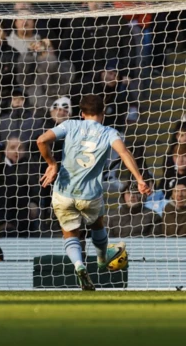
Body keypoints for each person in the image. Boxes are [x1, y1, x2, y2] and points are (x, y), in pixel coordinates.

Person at [37, 94, 151, 291]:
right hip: (90, 195)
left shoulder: (70, 125)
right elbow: (124, 153)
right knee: (98, 225)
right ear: (103, 113)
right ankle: (101, 258)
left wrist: (52, 164)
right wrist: (140, 180)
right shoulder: (109, 132)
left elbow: (41, 140)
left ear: (81, 113)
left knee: (70, 234)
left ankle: (79, 265)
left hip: (64, 192)